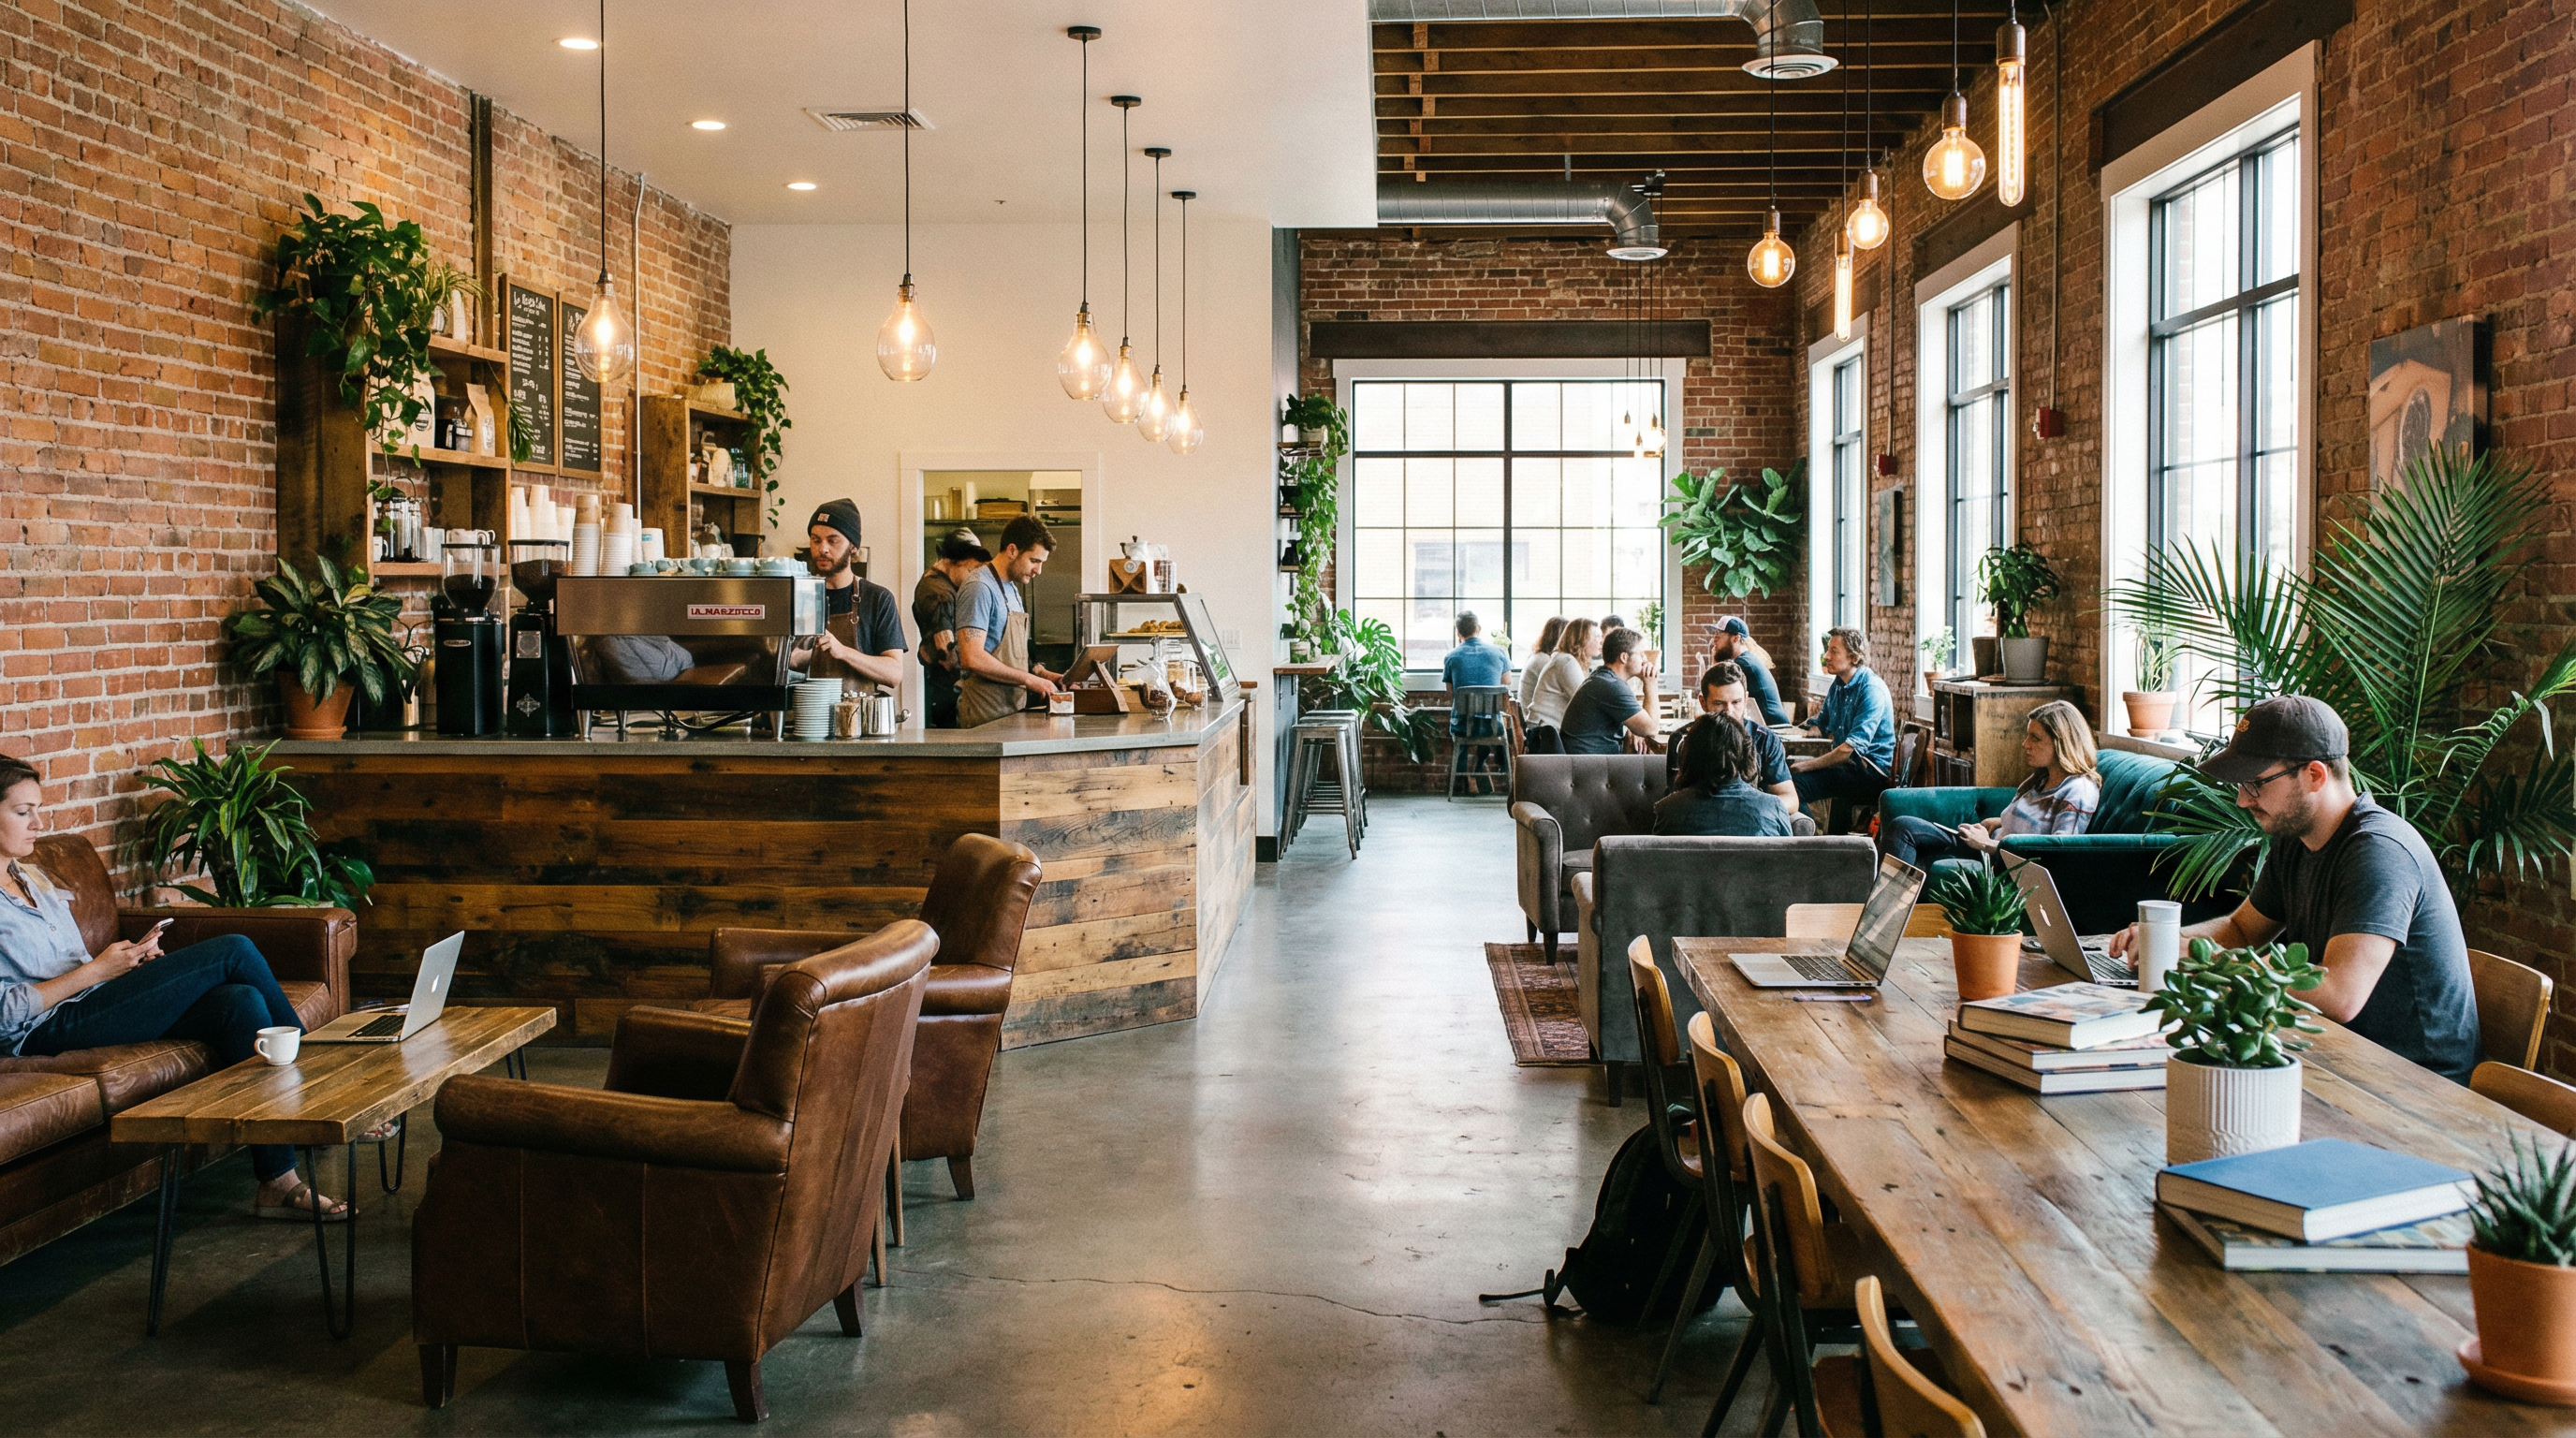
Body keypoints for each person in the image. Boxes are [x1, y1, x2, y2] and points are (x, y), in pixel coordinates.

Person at [0, 756, 348, 1220]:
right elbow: (5, 1014)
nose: (39, 823)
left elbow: (78, 964)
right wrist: (99, 972)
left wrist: (127, 964)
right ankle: (330, 1093)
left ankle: (278, 1182)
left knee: (238, 1003)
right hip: (43, 1029)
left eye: (39, 809)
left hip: (92, 997)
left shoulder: (29, 874)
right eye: (23, 812)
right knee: (235, 950)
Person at [2105, 696, 2478, 1083]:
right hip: (2335, 1057)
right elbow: (2242, 930)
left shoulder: (2379, 852)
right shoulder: (2296, 837)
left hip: (2413, 1083)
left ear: (2315, 775)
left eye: (2256, 782)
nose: (2242, 799)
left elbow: (2339, 995)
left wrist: (2209, 961)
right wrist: (2167, 941)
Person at [1881, 700, 2100, 868]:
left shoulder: (2078, 791)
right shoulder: (2043, 778)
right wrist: (1998, 821)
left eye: (2036, 738)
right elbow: (2033, 822)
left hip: (1996, 857)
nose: (2025, 744)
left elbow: (2056, 855)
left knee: (1905, 831)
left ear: (2062, 742)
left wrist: (1986, 845)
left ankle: (1884, 916)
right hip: (1989, 845)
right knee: (1904, 827)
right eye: (2027, 736)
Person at [955, 516, 1063, 726]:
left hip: (1009, 712)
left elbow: (1013, 655)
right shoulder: (979, 588)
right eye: (1034, 561)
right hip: (983, 715)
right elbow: (972, 657)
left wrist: (1043, 674)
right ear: (1012, 550)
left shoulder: (1012, 589)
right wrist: (1029, 680)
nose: (1038, 571)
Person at [796, 499, 909, 690]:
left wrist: (844, 652)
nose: (822, 548)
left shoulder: (877, 598)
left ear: (853, 547)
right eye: (816, 540)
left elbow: (894, 673)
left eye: (832, 541)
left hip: (857, 716)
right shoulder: (796, 595)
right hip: (804, 717)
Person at [1670, 661, 1798, 813]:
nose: (1729, 712)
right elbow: (1676, 798)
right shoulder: (1683, 739)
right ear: (1703, 703)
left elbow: (1790, 799)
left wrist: (1744, 808)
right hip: (1700, 821)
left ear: (1745, 700)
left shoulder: (1766, 740)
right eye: (1719, 703)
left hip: (1752, 822)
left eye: (1736, 702)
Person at [1792, 626, 1895, 805]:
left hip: (1868, 773)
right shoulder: (1838, 684)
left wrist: (1806, 765)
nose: (1826, 656)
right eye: (1827, 650)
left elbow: (1849, 750)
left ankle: (1806, 830)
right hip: (1847, 767)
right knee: (1782, 777)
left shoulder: (1871, 689)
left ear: (1854, 657)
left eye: (1834, 651)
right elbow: (1821, 723)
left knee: (1794, 785)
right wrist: (1808, 729)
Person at [1655, 714, 1799, 837]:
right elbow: (1788, 859)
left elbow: (1655, 864)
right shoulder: (1774, 806)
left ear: (1690, 756)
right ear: (1746, 755)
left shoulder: (1667, 810)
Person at [913, 527, 989, 729]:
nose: (974, 579)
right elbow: (949, 657)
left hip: (944, 694)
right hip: (951, 698)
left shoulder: (937, 583)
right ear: (954, 562)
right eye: (972, 571)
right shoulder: (939, 595)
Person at [1559, 626, 1661, 756]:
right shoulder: (1611, 685)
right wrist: (1651, 684)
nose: (1645, 660)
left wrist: (1633, 729)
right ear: (1624, 657)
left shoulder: (1605, 678)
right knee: (1663, 766)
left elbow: (1644, 726)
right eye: (1641, 654)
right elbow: (1651, 729)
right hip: (1589, 766)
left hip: (1586, 762)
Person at [1711, 615, 1791, 726]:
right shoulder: (1746, 659)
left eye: (1719, 633)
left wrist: (1714, 659)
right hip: (1765, 727)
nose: (1714, 638)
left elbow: (1715, 690)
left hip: (1773, 730)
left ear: (1736, 638)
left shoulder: (1744, 664)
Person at [1517, 616, 1568, 712]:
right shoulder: (1544, 661)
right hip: (1536, 721)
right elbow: (1566, 690)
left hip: (1532, 715)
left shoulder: (1538, 657)